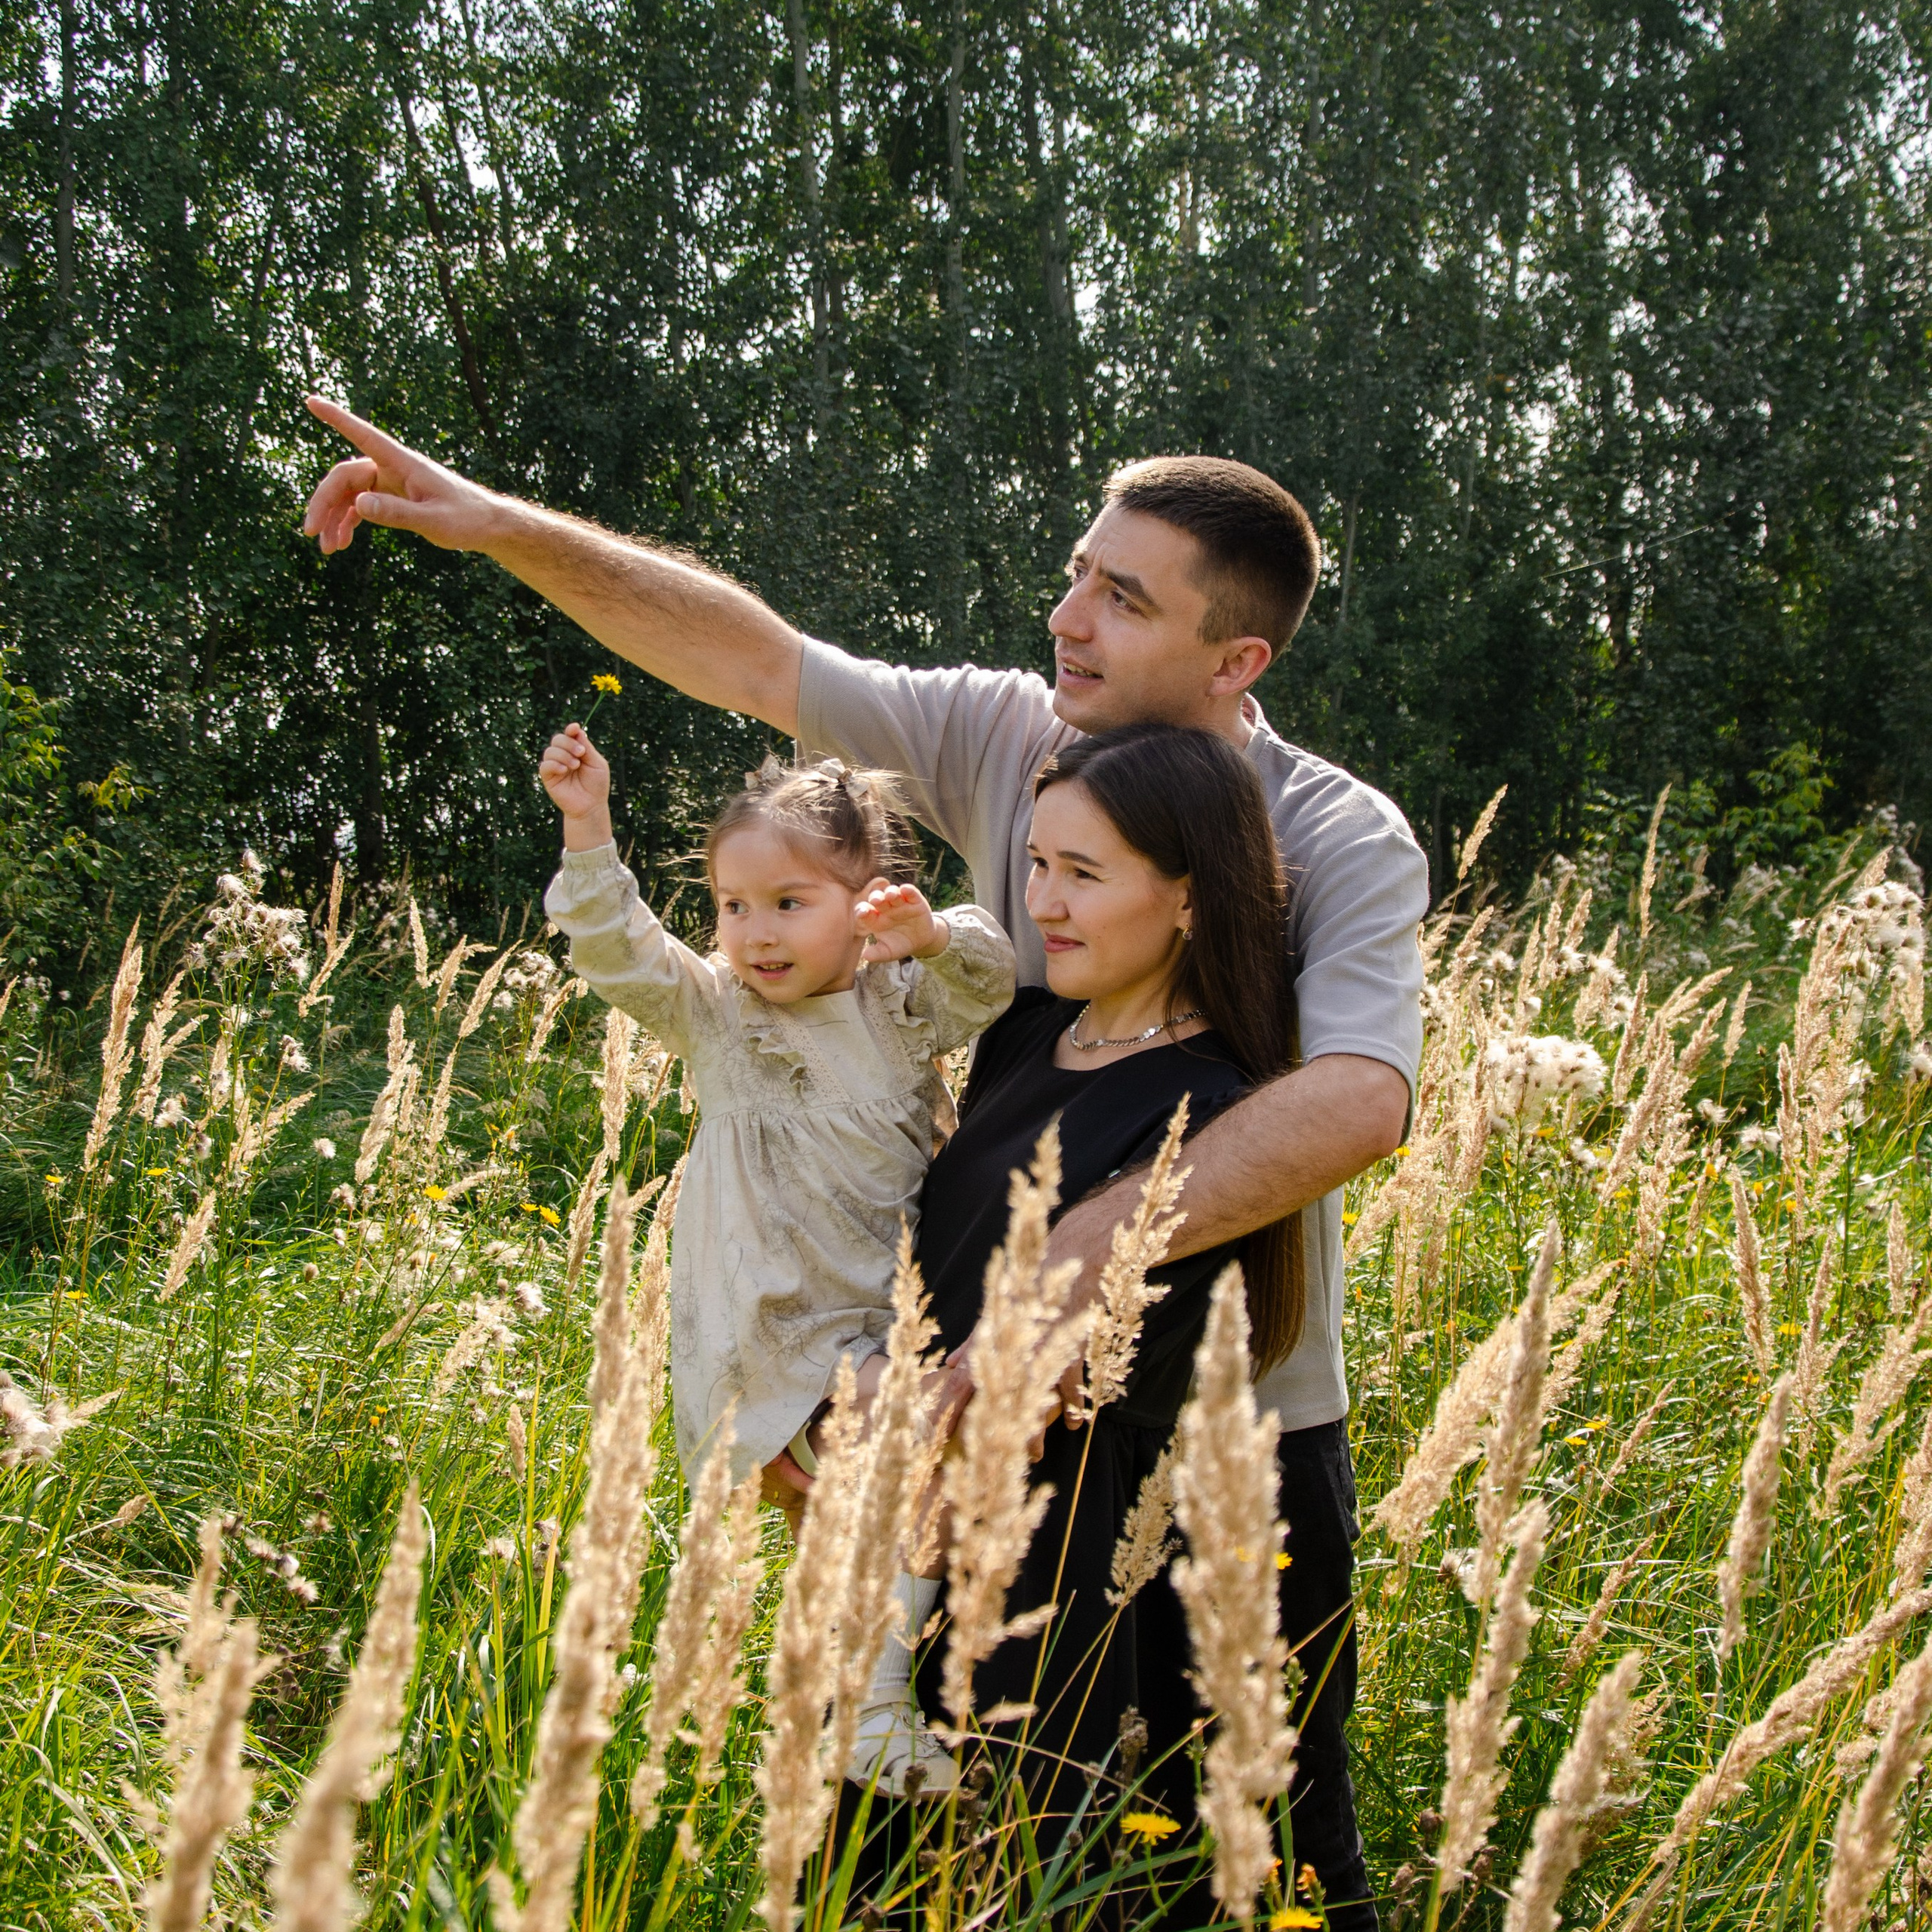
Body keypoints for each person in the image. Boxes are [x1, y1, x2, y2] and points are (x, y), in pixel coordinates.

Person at [304, 405, 1427, 1928]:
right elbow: (757, 659)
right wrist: (501, 524)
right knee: (920, 1847)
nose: (1066, 616)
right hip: (959, 1431)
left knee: (1249, 1857)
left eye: (1123, 598)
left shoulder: (1334, 835)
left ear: (1235, 662)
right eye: (1075, 570)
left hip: (1224, 1426)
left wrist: (1063, 1268)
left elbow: (1357, 1099)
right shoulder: (1013, 736)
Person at [537, 722, 1015, 1793]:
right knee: (905, 1452)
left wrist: (930, 937)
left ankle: (838, 1716)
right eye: (732, 905)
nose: (753, 932)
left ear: (869, 903)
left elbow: (991, 978)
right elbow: (619, 947)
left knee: (876, 1522)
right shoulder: (718, 1015)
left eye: (788, 903)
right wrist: (587, 825)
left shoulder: (898, 1005)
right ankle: (873, 1711)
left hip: (877, 1321)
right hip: (768, 1342)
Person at [909, 724, 1301, 1877]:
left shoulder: (1217, 1105)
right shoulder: (1024, 1033)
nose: (1044, 904)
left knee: (1024, 1864)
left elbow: (1088, 1371)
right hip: (910, 1500)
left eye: (1084, 874)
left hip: (1060, 1544)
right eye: (1037, 866)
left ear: (1189, 897)